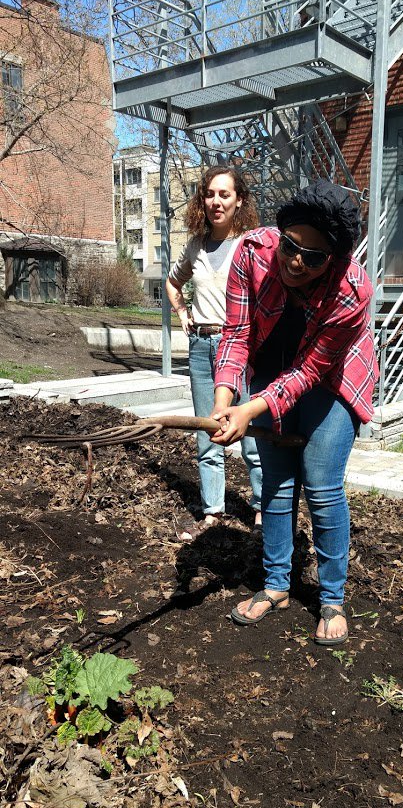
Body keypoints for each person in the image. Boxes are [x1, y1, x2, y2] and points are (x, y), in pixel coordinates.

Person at [210, 178, 378, 645]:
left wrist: (254, 407)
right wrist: (226, 401)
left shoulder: (352, 290)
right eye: (290, 246)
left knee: (321, 482)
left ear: (335, 258)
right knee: (276, 481)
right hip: (270, 366)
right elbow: (237, 333)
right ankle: (277, 585)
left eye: (314, 256)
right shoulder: (250, 253)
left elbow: (310, 371)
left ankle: (331, 597)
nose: (296, 261)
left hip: (333, 376)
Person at [166, 166, 262, 538]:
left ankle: (260, 511)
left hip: (242, 349)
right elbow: (173, 283)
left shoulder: (251, 244)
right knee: (208, 431)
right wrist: (183, 314)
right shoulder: (195, 245)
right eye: (209, 194)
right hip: (202, 346)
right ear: (201, 200)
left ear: (239, 200)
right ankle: (213, 512)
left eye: (224, 194)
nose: (216, 201)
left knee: (251, 435)